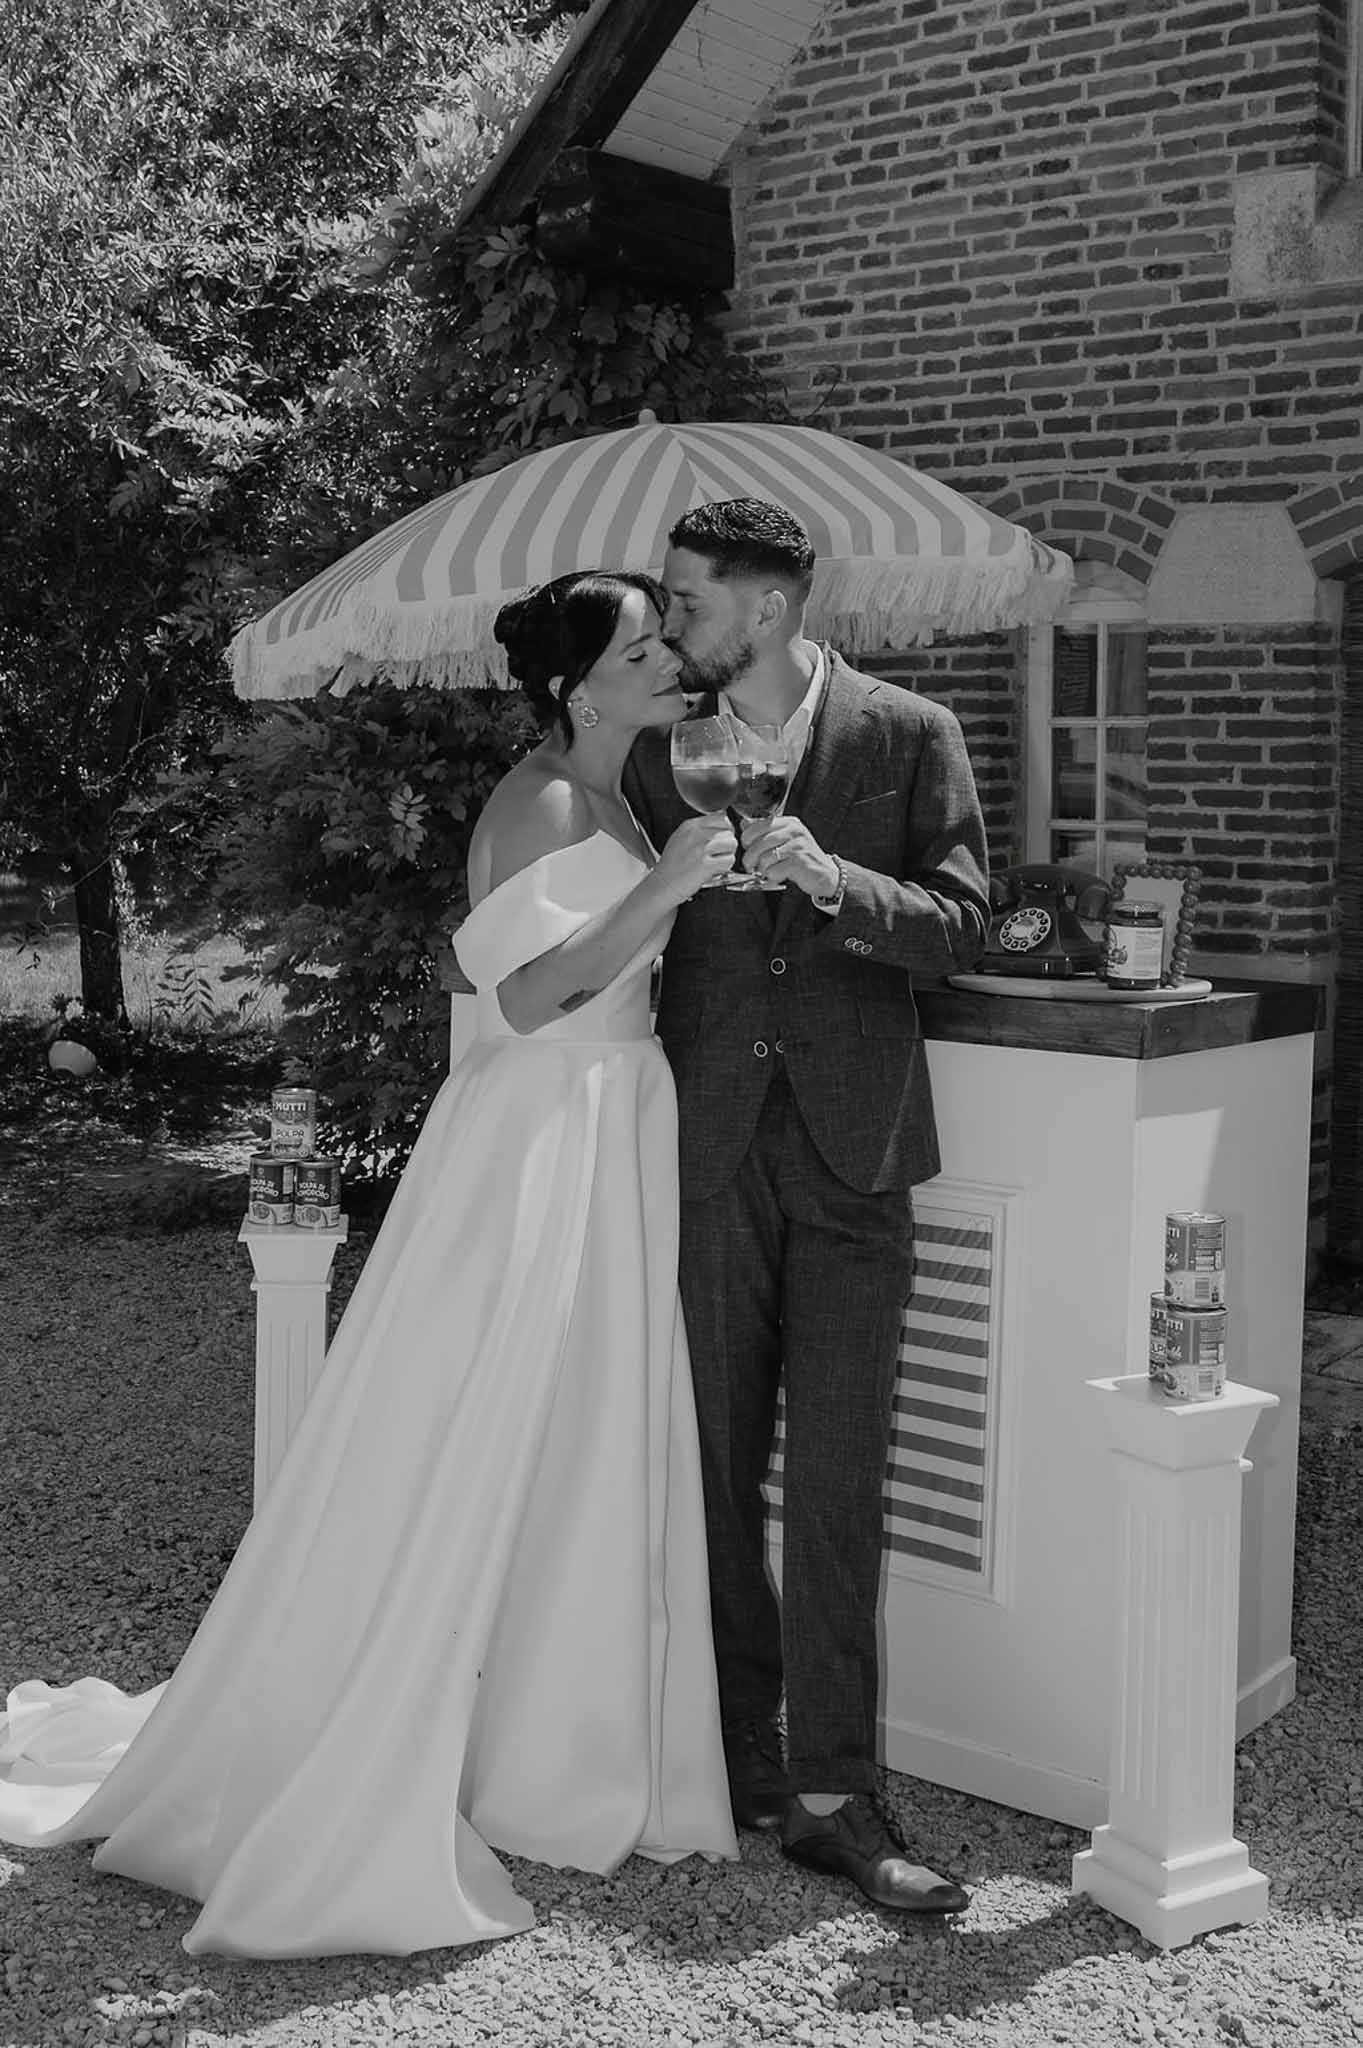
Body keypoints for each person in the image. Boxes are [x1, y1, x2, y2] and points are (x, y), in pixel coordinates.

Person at [0, 570, 740, 1958]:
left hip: (612, 1115)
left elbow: (501, 964)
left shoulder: (621, 791)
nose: (670, 665)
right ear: (575, 685)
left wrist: (684, 870)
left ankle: (550, 1739)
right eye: (644, 649)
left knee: (585, 1420)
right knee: (491, 1410)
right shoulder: (540, 801)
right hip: (545, 1130)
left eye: (662, 643)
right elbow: (530, 995)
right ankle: (420, 1723)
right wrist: (674, 883)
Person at [623, 498, 991, 1916]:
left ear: (768, 604)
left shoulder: (911, 735)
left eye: (689, 599)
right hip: (708, 1149)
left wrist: (838, 884)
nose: (671, 622)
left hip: (856, 1156)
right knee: (713, 1471)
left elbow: (961, 929)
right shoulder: (657, 750)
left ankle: (836, 1797)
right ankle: (737, 1763)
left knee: (839, 1478)